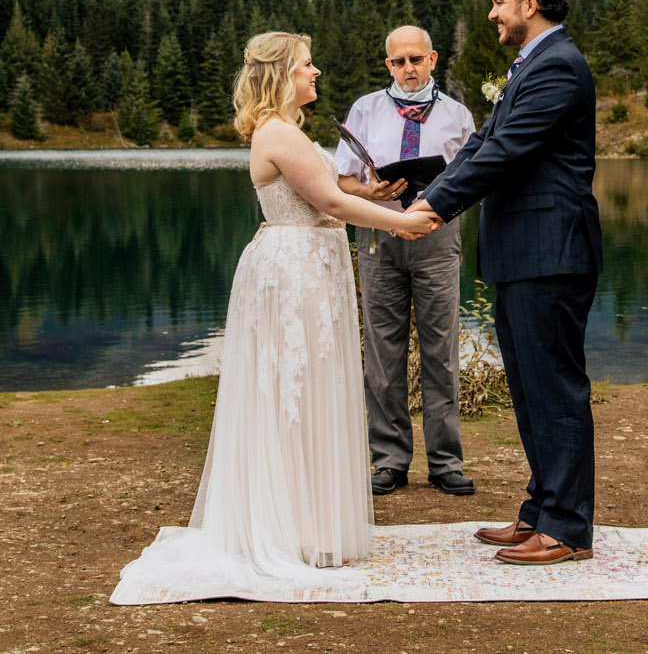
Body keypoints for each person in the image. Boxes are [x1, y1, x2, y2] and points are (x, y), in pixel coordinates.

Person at [112, 32, 440, 604]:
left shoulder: (292, 131)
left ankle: (307, 523)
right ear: (281, 74)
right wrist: (403, 222)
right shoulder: (278, 132)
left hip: (311, 264)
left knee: (311, 389)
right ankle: (286, 528)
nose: (316, 73)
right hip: (292, 272)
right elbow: (332, 205)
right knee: (292, 391)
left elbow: (333, 193)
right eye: (307, 65)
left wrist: (379, 194)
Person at [408, 0, 602, 566]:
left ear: (531, 3)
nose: (491, 13)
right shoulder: (531, 65)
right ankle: (542, 508)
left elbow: (510, 153)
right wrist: (425, 196)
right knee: (528, 389)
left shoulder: (560, 68)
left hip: (551, 251)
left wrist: (435, 208)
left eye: (498, 1)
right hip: (524, 254)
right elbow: (482, 144)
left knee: (555, 390)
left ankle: (567, 528)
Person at [334, 25, 479, 498]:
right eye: (399, 62)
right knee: (382, 350)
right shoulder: (365, 109)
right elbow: (342, 182)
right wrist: (369, 191)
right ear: (388, 65)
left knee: (441, 349)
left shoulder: (458, 116)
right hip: (378, 233)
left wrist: (439, 203)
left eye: (416, 59)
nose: (408, 68)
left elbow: (476, 178)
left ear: (433, 59)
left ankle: (445, 462)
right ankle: (390, 460)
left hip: (437, 236)